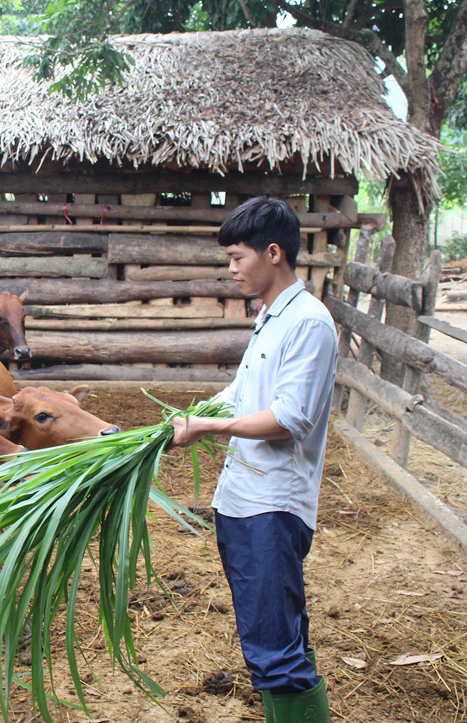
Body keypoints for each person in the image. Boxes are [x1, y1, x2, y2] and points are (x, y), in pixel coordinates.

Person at [169, 196, 337, 722]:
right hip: (243, 499)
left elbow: (289, 420)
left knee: (274, 650)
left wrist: (211, 428)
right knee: (275, 637)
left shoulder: (310, 323)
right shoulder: (270, 317)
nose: (232, 269)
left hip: (273, 506)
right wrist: (187, 419)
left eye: (238, 257)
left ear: (273, 253)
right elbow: (243, 394)